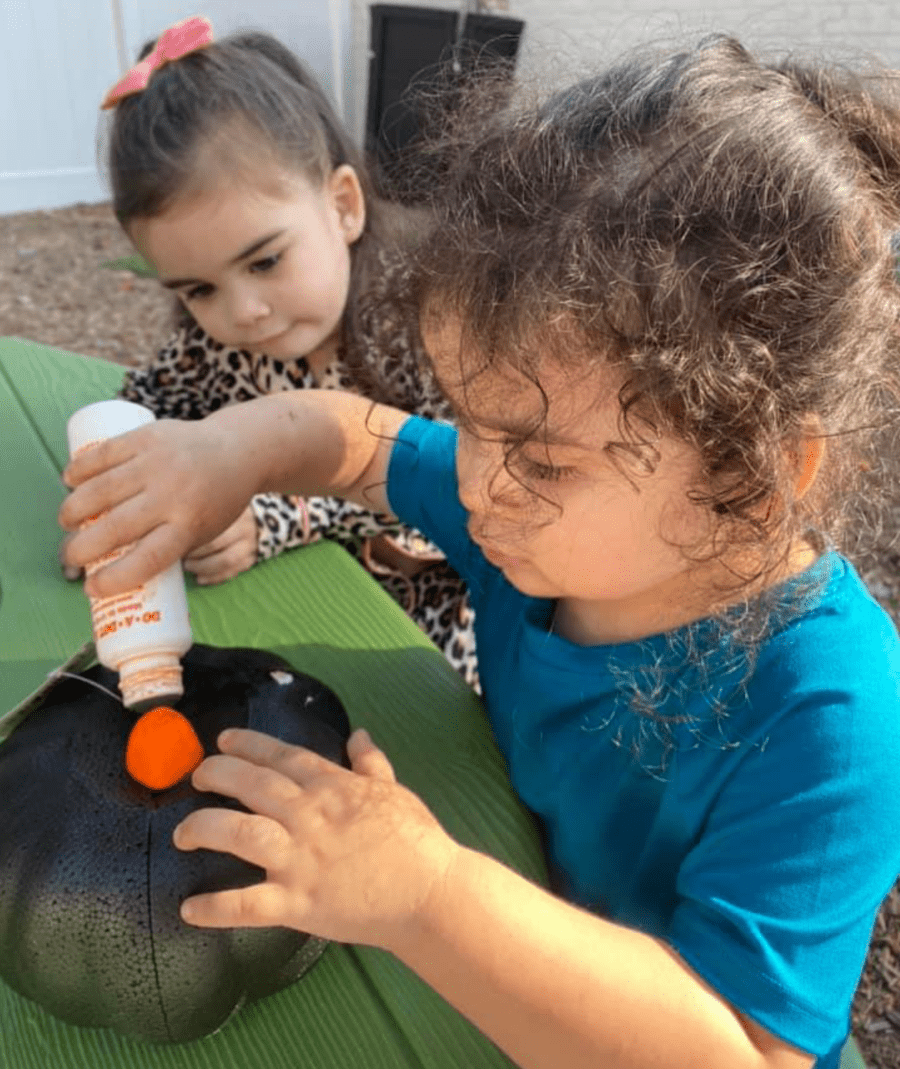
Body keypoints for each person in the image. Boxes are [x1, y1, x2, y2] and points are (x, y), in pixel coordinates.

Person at [60, 35, 900, 1069]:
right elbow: (360, 441)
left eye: (541, 460)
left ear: (753, 473)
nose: (472, 481)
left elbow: (742, 1050)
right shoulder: (524, 520)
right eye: (466, 418)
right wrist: (225, 452)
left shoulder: (833, 708)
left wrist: (428, 893)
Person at [92, 17, 478, 687]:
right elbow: (146, 403)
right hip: (288, 626)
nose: (243, 311)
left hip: (431, 647)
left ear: (344, 205)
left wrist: (274, 513)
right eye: (198, 289)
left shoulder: (430, 323)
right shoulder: (214, 345)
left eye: (265, 260)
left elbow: (464, 476)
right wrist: (122, 479)